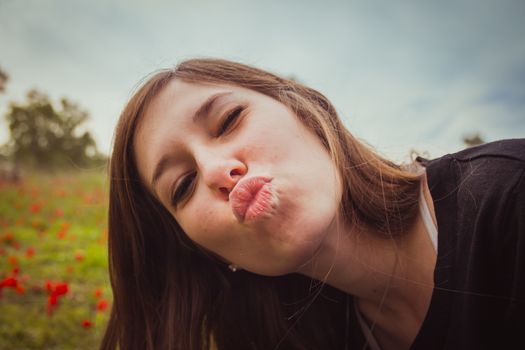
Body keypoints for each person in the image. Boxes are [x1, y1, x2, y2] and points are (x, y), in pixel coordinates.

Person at [101, 58, 524, 350]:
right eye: (183, 185)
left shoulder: (510, 195)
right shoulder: (304, 337)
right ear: (206, 253)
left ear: (305, 110)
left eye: (229, 120)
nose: (214, 170)